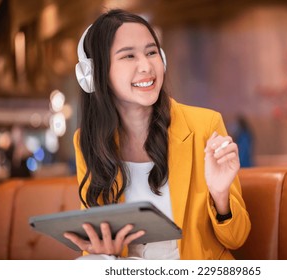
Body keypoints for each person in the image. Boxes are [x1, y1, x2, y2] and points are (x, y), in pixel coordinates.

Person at [64, 8, 250, 260]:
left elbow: (236, 238)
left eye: (151, 52)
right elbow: (96, 235)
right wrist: (103, 251)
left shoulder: (205, 124)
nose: (146, 66)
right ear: (95, 74)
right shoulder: (87, 141)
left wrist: (220, 195)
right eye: (128, 56)